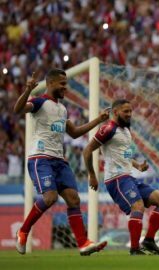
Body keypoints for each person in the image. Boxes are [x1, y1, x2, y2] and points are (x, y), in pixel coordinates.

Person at [13, 69, 109, 255]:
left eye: (66, 83)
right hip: (40, 158)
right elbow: (17, 110)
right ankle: (23, 231)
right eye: (62, 83)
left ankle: (83, 243)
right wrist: (27, 91)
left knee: (74, 199)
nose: (66, 87)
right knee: (50, 197)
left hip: (59, 160)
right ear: (50, 84)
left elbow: (74, 133)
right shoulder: (40, 102)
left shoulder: (62, 109)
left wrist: (99, 119)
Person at [83, 99, 159, 255]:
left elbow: (122, 155)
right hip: (116, 179)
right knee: (138, 206)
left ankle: (149, 241)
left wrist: (138, 166)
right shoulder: (108, 129)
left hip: (129, 177)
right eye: (126, 111)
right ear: (115, 112)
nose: (129, 114)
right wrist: (92, 175)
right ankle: (135, 249)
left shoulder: (126, 131)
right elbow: (87, 151)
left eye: (130, 111)